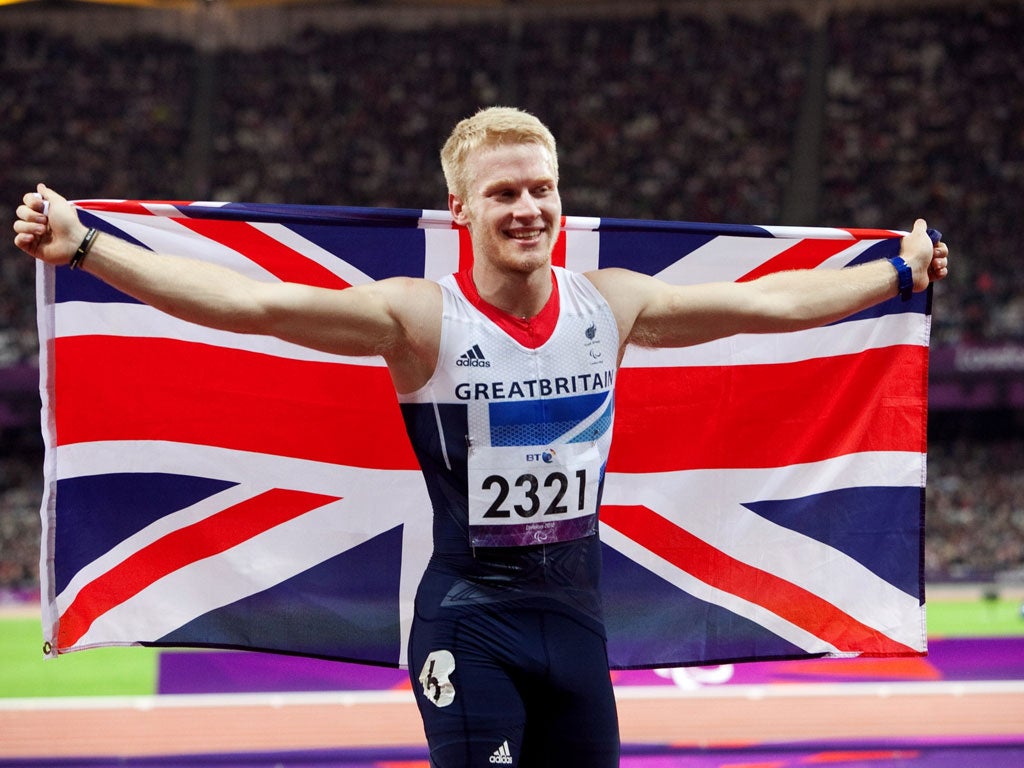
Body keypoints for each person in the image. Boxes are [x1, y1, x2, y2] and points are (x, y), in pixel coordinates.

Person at [13, 106, 949, 768]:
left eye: (541, 189)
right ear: (462, 211)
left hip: (579, 625)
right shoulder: (420, 319)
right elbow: (255, 304)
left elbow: (770, 307)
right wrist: (88, 248)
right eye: (503, 193)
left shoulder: (612, 303)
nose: (528, 209)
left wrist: (895, 275)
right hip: (471, 621)